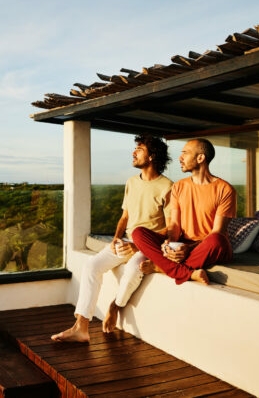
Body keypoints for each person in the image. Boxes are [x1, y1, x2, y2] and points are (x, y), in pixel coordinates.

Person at [51, 134, 172, 342]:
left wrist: (137, 246)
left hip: (147, 246)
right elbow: (125, 216)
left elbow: (170, 228)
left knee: (133, 270)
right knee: (91, 265)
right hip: (125, 241)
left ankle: (114, 306)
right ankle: (81, 327)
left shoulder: (168, 187)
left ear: (152, 156)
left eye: (139, 149)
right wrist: (116, 239)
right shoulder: (132, 182)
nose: (134, 153)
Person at [132, 138, 236, 285]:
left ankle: (163, 268)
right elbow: (174, 225)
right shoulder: (178, 187)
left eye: (185, 153)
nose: (180, 158)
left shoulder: (225, 189)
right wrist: (169, 243)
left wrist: (189, 248)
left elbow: (217, 232)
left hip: (206, 246)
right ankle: (183, 271)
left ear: (200, 158)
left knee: (218, 240)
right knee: (138, 233)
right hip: (183, 244)